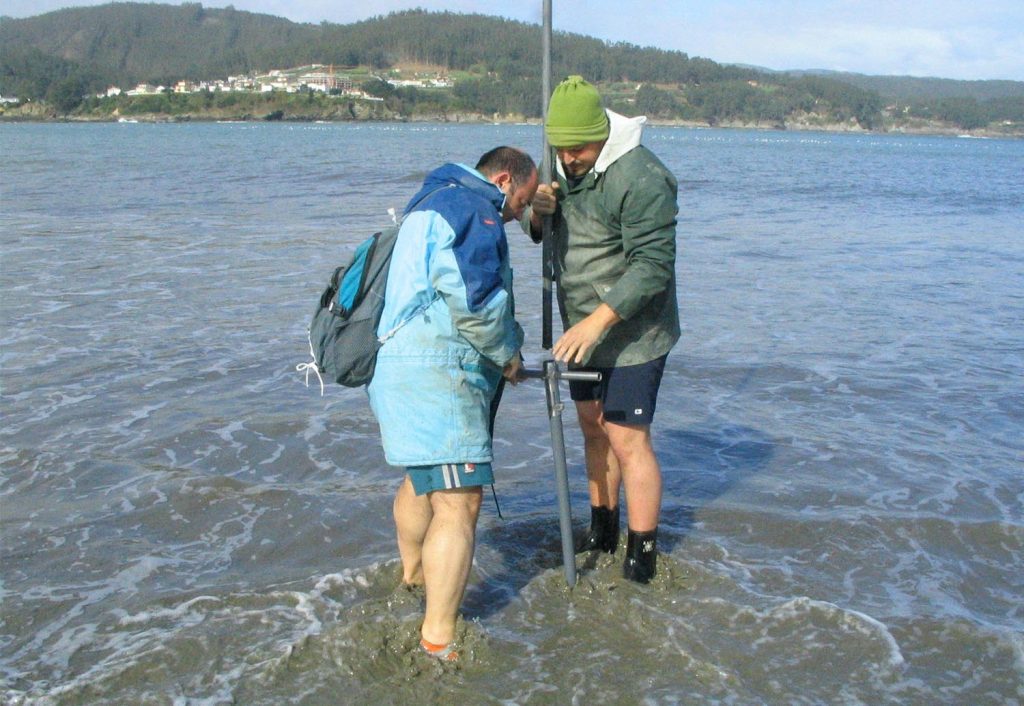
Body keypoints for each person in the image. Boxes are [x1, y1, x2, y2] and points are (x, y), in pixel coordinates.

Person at [367, 147, 538, 661]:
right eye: (521, 202)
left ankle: (413, 578)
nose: (516, 215)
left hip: (395, 366)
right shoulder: (475, 209)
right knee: (459, 501)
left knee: (422, 480)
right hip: (438, 373)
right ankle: (438, 641)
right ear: (504, 180)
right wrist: (510, 355)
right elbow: (478, 303)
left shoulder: (430, 200)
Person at [525, 76, 679, 584]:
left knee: (626, 437)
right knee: (592, 428)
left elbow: (652, 267)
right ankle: (602, 528)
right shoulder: (559, 164)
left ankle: (641, 555)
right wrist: (538, 214)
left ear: (602, 134)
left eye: (578, 149)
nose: (568, 160)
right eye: (560, 150)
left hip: (634, 329)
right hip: (579, 326)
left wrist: (600, 320)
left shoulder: (643, 176)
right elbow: (539, 234)